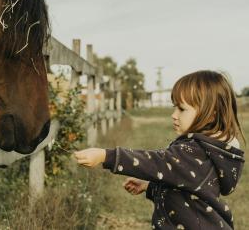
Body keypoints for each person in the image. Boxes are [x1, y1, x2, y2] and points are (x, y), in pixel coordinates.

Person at [74, 70, 245, 229]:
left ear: (211, 114)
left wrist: (107, 156)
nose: (174, 114)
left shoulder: (195, 152)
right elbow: (183, 189)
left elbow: (158, 162)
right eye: (174, 107)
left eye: (182, 109)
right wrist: (149, 186)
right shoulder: (204, 152)